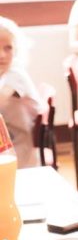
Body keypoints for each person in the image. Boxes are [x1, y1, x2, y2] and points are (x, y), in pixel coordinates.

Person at [0, 16, 42, 168]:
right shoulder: (3, 72)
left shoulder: (15, 75)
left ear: (16, 49)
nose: (2, 55)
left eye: (8, 48)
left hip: (19, 149)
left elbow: (2, 98)